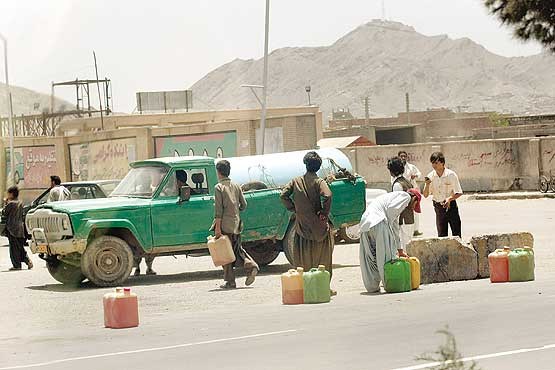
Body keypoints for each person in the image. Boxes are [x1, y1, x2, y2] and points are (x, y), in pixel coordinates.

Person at [280, 151, 335, 288]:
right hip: (319, 229)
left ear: (305, 164)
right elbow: (327, 195)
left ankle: (306, 287)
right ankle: (323, 287)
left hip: (302, 227)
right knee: (323, 259)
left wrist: (294, 209)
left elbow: (283, 195)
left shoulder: (296, 181)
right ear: (318, 167)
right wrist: (324, 212)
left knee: (303, 260)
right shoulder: (319, 182)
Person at [358, 190, 421, 293]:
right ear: (414, 199)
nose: (413, 208)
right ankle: (389, 283)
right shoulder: (406, 197)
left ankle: (372, 287)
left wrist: (400, 250)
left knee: (370, 258)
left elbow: (395, 226)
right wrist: (391, 241)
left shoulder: (392, 198)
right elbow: (391, 214)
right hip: (379, 222)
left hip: (366, 224)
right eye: (415, 205)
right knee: (385, 257)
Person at [213, 160, 258, 289]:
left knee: (225, 253)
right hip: (237, 224)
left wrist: (217, 229)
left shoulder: (219, 188)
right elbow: (244, 205)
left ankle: (230, 281)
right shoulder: (236, 186)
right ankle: (251, 265)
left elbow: (218, 211)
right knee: (237, 250)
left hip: (225, 226)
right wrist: (236, 211)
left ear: (218, 172)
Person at [422, 152, 463, 238]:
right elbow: (425, 195)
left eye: (436, 163)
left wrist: (449, 199)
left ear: (442, 162)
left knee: (456, 232)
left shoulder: (451, 174)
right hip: (438, 207)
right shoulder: (430, 176)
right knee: (442, 235)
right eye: (432, 163)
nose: (434, 165)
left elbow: (459, 192)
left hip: (451, 206)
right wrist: (428, 184)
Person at [2, 186, 33, 271]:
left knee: (14, 249)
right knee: (19, 247)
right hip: (20, 228)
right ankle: (27, 261)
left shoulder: (11, 204)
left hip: (12, 228)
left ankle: (17, 265)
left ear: (11, 194)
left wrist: (6, 203)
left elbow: (4, 213)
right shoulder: (20, 203)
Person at [388, 157, 415, 249]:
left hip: (402, 221)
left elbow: (397, 207)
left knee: (403, 248)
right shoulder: (407, 182)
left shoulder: (397, 185)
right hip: (409, 218)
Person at [397, 150, 423, 236]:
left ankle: (416, 230)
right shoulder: (398, 168)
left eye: (404, 156)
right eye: (401, 156)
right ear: (399, 157)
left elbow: (419, 174)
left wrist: (415, 176)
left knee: (415, 209)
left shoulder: (411, 167)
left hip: (412, 191)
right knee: (403, 211)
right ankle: (405, 230)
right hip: (402, 192)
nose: (403, 158)